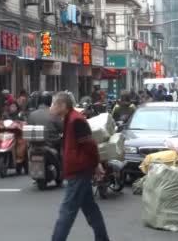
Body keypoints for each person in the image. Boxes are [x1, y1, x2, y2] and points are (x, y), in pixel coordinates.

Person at [50, 92, 110, 241]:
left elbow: (90, 146)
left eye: (54, 104)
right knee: (90, 208)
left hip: (79, 170)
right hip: (78, 169)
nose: (52, 108)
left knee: (67, 210)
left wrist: (96, 164)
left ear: (63, 106)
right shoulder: (69, 119)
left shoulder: (76, 120)